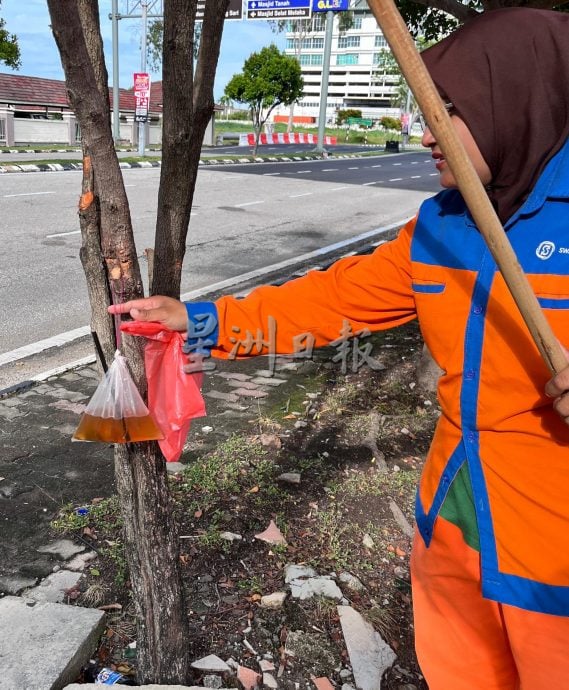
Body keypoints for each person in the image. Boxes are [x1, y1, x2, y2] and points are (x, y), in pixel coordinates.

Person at [109, 8, 569, 688]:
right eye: (424, 109)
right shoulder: (441, 226)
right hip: (454, 504)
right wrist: (197, 321)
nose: (425, 132)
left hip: (552, 532)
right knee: (459, 668)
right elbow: (330, 301)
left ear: (518, 102)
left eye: (450, 110)